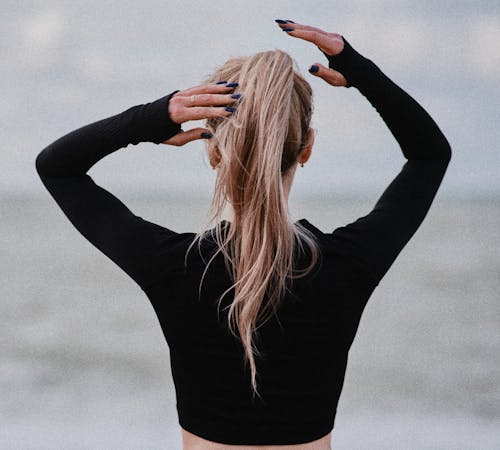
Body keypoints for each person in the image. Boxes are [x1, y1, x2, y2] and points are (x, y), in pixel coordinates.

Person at [35, 18, 451, 450]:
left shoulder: (174, 266)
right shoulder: (350, 262)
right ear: (307, 147)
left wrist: (154, 118)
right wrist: (358, 70)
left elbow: (58, 167)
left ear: (213, 151)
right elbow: (429, 155)